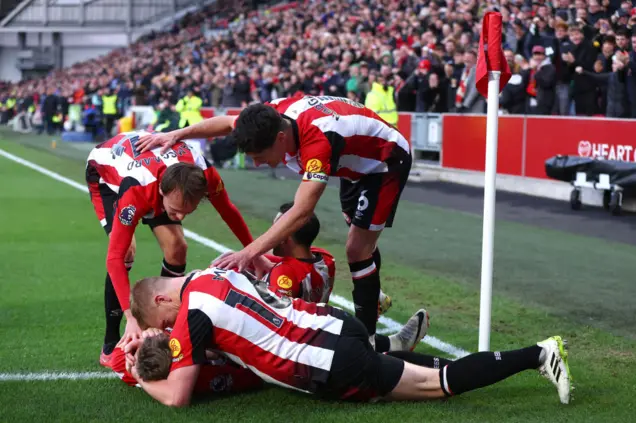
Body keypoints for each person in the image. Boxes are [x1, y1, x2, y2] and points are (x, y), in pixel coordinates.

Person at [135, 95, 412, 354]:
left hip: (384, 162)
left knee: (356, 249)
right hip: (354, 164)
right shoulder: (267, 118)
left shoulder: (317, 143)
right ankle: (372, 296)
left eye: (259, 156)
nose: (256, 164)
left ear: (281, 138)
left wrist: (248, 252)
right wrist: (177, 134)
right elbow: (226, 122)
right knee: (360, 238)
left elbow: (302, 211)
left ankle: (368, 342)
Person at [125, 269, 572, 407]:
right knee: (410, 370)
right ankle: (392, 347)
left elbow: (178, 395)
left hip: (323, 362)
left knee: (438, 385)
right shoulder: (215, 272)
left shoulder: (191, 312)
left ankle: (538, 353)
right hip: (333, 324)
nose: (169, 331)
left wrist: (141, 375)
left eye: (165, 323)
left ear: (165, 301)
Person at [85, 130, 254, 366]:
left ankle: (160, 322)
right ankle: (111, 342)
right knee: (125, 252)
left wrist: (253, 251)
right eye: (175, 210)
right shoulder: (137, 190)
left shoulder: (205, 175)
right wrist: (130, 317)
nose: (180, 217)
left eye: (188, 211)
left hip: (160, 169)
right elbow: (113, 258)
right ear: (162, 192)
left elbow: (228, 210)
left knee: (177, 247)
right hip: (106, 176)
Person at [262, 202, 425, 353]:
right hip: (312, 331)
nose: (269, 234)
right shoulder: (325, 258)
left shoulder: (283, 274)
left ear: (286, 238)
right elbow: (294, 260)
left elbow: (273, 325)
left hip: (290, 348)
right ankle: (395, 343)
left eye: (274, 230)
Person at [111, 328, 263, 395]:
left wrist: (144, 331)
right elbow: (254, 378)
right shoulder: (199, 378)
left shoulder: (121, 357)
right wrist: (216, 354)